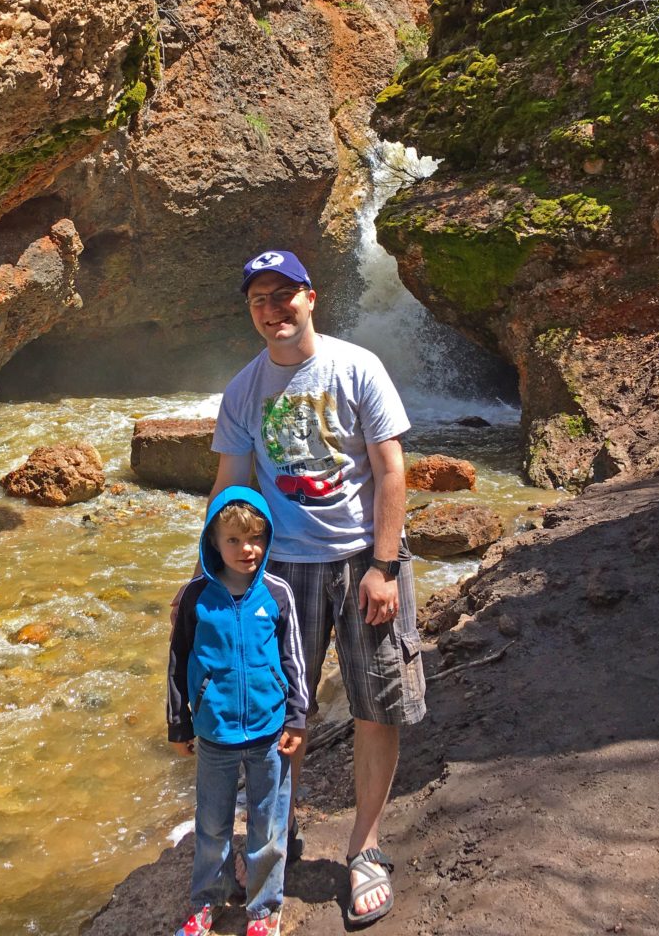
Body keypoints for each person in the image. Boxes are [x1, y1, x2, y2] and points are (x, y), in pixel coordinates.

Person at [205, 250, 427, 927]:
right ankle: (275, 837)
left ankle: (363, 848)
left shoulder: (356, 367)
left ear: (310, 297)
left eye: (281, 296)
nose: (270, 311)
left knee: (375, 704)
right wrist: (209, 580)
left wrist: (383, 568)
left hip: (362, 558)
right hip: (279, 570)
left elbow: (392, 470)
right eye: (257, 301)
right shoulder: (244, 388)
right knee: (276, 716)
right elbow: (231, 487)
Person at [167, 485, 308, 936]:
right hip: (215, 734)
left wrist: (296, 716)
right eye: (233, 539)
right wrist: (179, 722)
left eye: (256, 538)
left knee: (268, 825)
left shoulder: (277, 593)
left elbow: (294, 659)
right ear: (213, 541)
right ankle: (207, 901)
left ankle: (264, 907)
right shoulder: (196, 598)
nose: (247, 549)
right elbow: (178, 661)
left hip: (269, 733)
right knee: (211, 826)